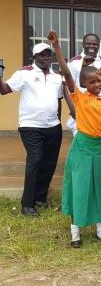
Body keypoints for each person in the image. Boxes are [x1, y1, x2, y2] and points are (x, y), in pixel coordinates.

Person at [49, 31, 101, 247]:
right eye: (92, 82)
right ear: (84, 84)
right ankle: (75, 234)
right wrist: (57, 47)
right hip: (83, 149)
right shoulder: (79, 97)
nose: (96, 84)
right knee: (79, 189)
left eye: (99, 81)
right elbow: (68, 74)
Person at [0, 42, 63, 216]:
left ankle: (40, 198)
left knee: (49, 163)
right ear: (34, 57)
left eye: (48, 54)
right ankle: (27, 204)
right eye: (42, 54)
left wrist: (57, 121)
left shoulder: (56, 76)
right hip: (30, 126)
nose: (46, 57)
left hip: (53, 126)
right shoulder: (24, 73)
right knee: (35, 161)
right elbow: (5, 90)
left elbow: (58, 100)